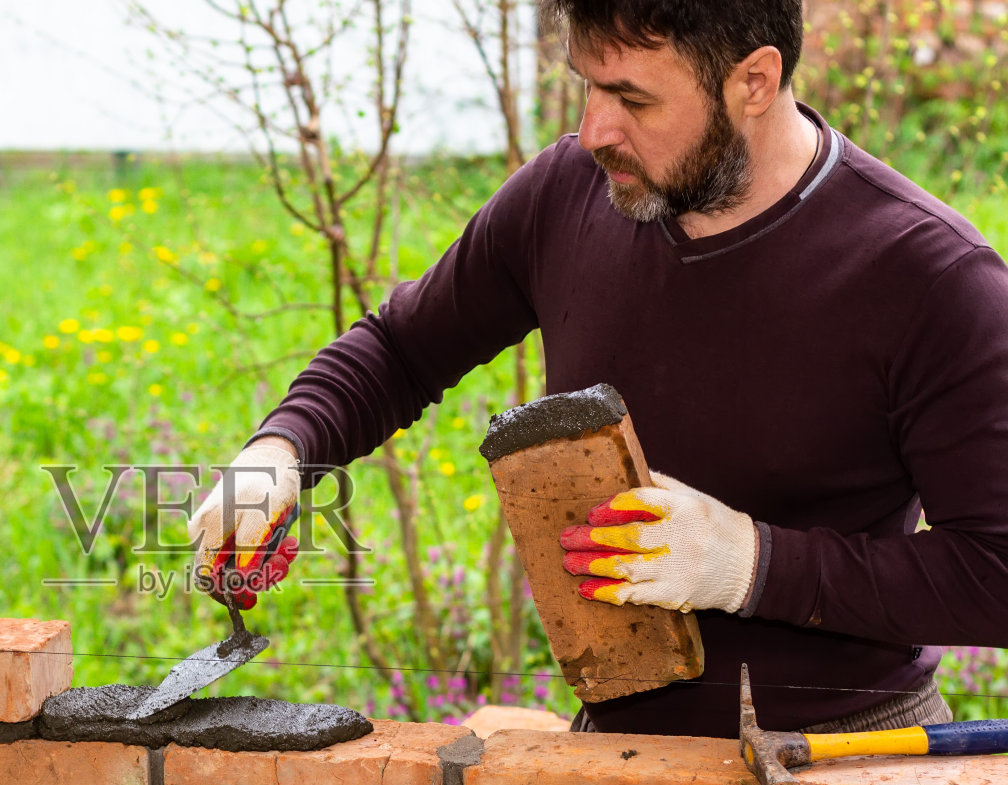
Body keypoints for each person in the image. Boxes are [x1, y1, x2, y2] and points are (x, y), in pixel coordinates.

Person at [185, 0, 1008, 737]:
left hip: (855, 761)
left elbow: (996, 571)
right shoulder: (563, 195)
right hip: (613, 757)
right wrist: (281, 451)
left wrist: (750, 564)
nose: (592, 131)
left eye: (632, 99)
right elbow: (402, 349)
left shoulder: (929, 275)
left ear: (755, 80)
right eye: (587, 85)